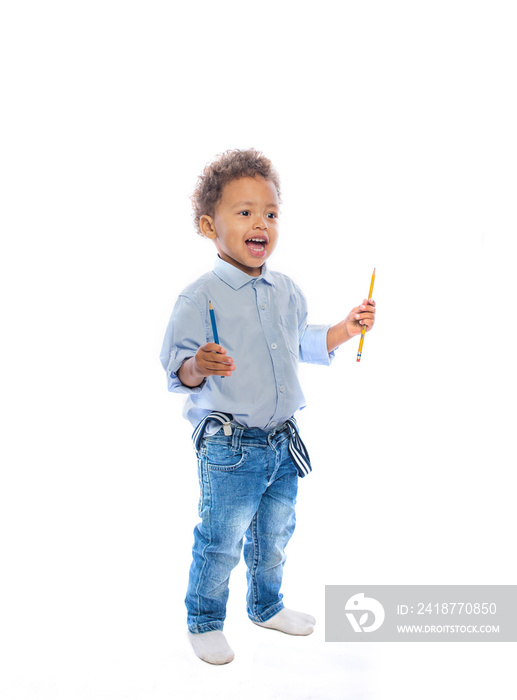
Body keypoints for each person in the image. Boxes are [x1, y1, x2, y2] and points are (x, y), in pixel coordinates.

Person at [160, 148, 376, 664]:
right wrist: (199, 365)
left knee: (275, 532)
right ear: (209, 225)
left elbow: (302, 341)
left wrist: (346, 329)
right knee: (221, 539)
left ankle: (267, 604)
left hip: (283, 439)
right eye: (245, 212)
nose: (262, 223)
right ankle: (205, 619)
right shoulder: (199, 298)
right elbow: (176, 370)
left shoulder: (286, 290)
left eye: (271, 213)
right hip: (229, 445)